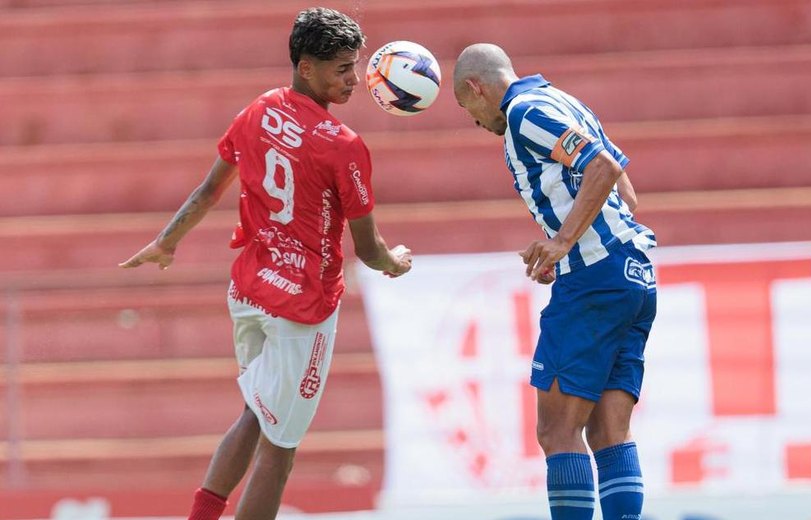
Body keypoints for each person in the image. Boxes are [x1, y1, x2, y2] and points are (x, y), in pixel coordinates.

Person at [119, 8, 412, 520]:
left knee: (257, 414)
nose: (353, 80)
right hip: (303, 307)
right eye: (342, 69)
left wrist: (167, 242)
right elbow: (369, 251)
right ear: (306, 67)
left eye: (354, 66)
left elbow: (211, 188)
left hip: (250, 290)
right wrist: (397, 261)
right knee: (281, 449)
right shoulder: (344, 147)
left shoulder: (257, 111)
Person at [453, 43, 657, 520]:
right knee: (609, 432)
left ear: (475, 88)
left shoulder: (523, 113)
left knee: (557, 432)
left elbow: (602, 171)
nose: (477, 122)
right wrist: (562, 244)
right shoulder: (565, 100)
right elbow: (624, 190)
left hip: (595, 279)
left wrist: (566, 244)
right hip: (633, 273)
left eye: (469, 110)